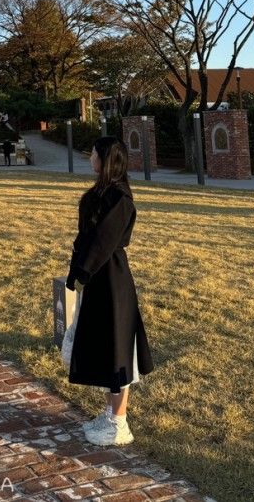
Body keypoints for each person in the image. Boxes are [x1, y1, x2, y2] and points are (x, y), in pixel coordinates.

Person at [66, 136, 154, 446]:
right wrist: (77, 269)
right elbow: (86, 238)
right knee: (104, 346)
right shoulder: (100, 193)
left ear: (106, 159)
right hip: (98, 278)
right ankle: (109, 414)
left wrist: (82, 271)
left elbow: (103, 241)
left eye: (93, 152)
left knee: (118, 349)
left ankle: (120, 422)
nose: (90, 157)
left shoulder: (119, 198)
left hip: (112, 278)